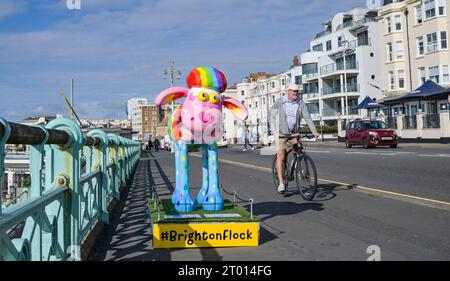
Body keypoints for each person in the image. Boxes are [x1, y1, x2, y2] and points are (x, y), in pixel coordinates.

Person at [270, 84, 320, 194]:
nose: (296, 93)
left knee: (299, 149)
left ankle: (295, 163)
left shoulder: (300, 103)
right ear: (288, 91)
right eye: (294, 91)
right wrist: (274, 130)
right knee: (281, 155)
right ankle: (282, 184)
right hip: (281, 133)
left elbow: (307, 117)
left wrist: (314, 131)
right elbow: (272, 114)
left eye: (297, 91)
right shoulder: (280, 102)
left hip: (294, 133)